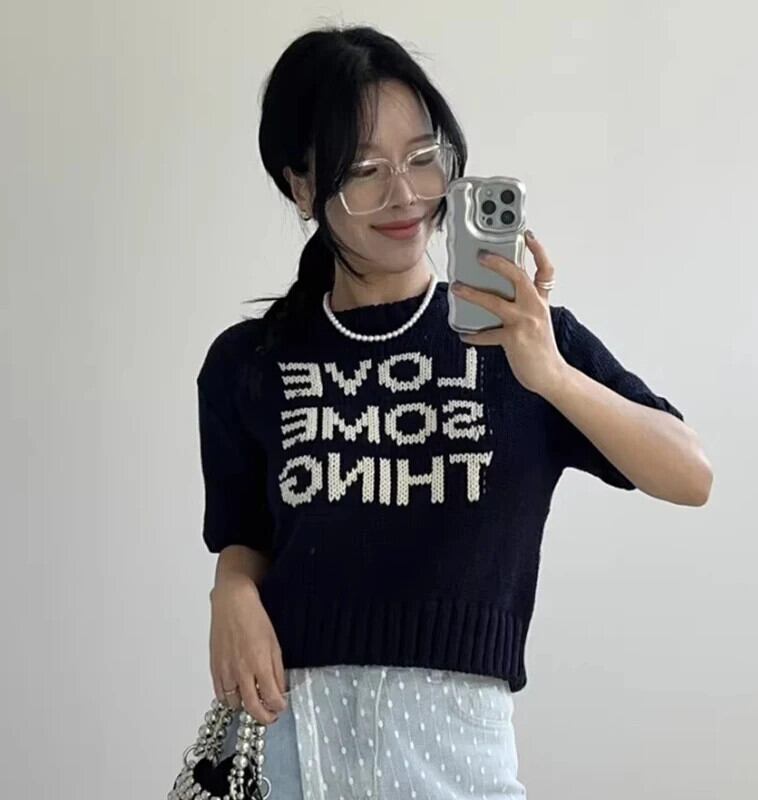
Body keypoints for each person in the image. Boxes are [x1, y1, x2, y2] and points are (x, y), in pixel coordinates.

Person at [195, 24, 713, 800]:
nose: (405, 194)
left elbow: (691, 474)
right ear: (301, 187)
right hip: (292, 749)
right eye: (363, 170)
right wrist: (231, 592)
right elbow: (246, 538)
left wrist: (552, 374)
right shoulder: (249, 361)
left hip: (456, 754)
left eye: (422, 157)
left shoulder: (528, 342)